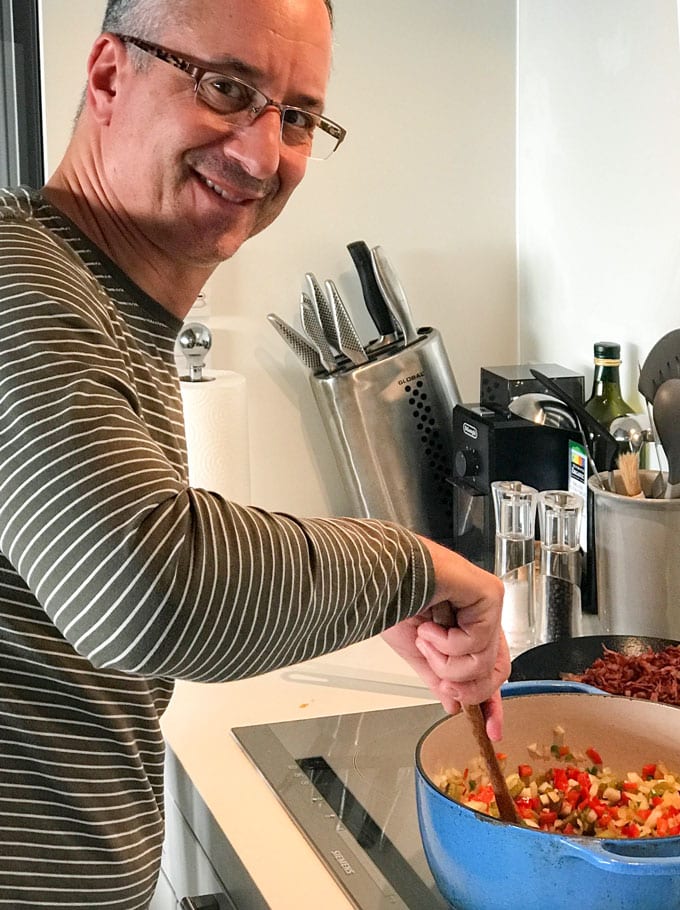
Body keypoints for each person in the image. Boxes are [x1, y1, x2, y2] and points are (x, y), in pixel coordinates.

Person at [0, 0, 509, 906]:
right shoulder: (17, 280)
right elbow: (146, 589)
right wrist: (415, 567)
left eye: (299, 117)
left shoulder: (100, 308)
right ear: (110, 74)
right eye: (227, 88)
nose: (263, 155)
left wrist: (350, 603)